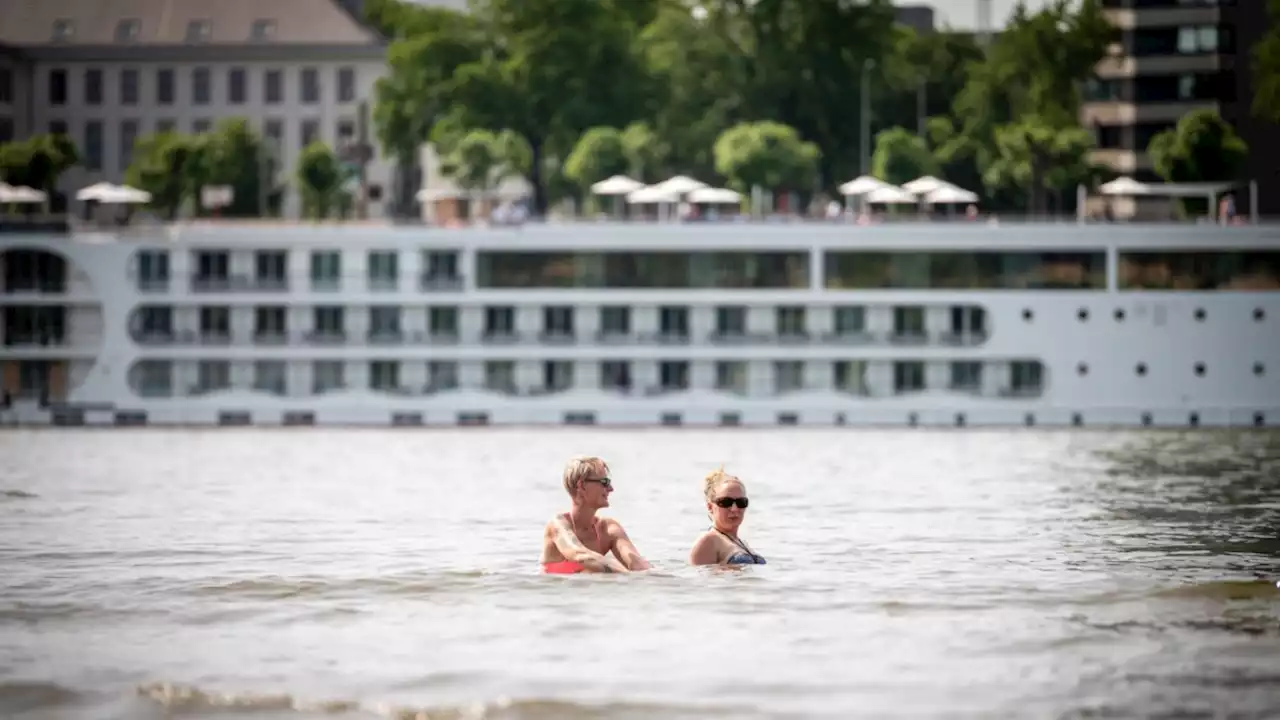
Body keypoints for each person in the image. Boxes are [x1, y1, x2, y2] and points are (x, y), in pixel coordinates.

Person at [541, 455, 651, 574]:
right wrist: (626, 575)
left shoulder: (609, 529)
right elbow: (580, 555)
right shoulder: (558, 525)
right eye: (604, 482)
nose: (611, 489)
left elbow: (639, 566)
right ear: (581, 486)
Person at [689, 466, 766, 566]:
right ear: (710, 507)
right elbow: (700, 579)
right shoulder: (708, 541)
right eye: (726, 502)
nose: (734, 509)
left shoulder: (741, 543)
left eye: (741, 502)